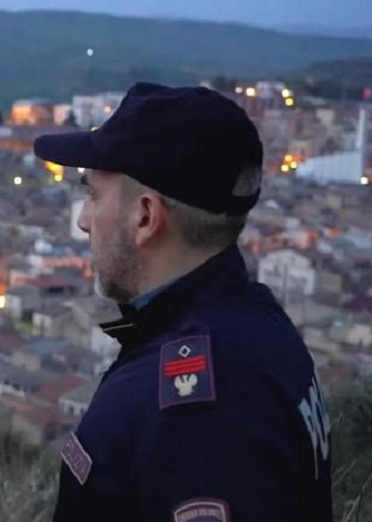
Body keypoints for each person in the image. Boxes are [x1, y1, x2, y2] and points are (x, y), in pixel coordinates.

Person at [34, 82, 332, 522]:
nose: (83, 220)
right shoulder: (262, 327)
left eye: (93, 195)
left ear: (146, 217)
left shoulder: (188, 416)